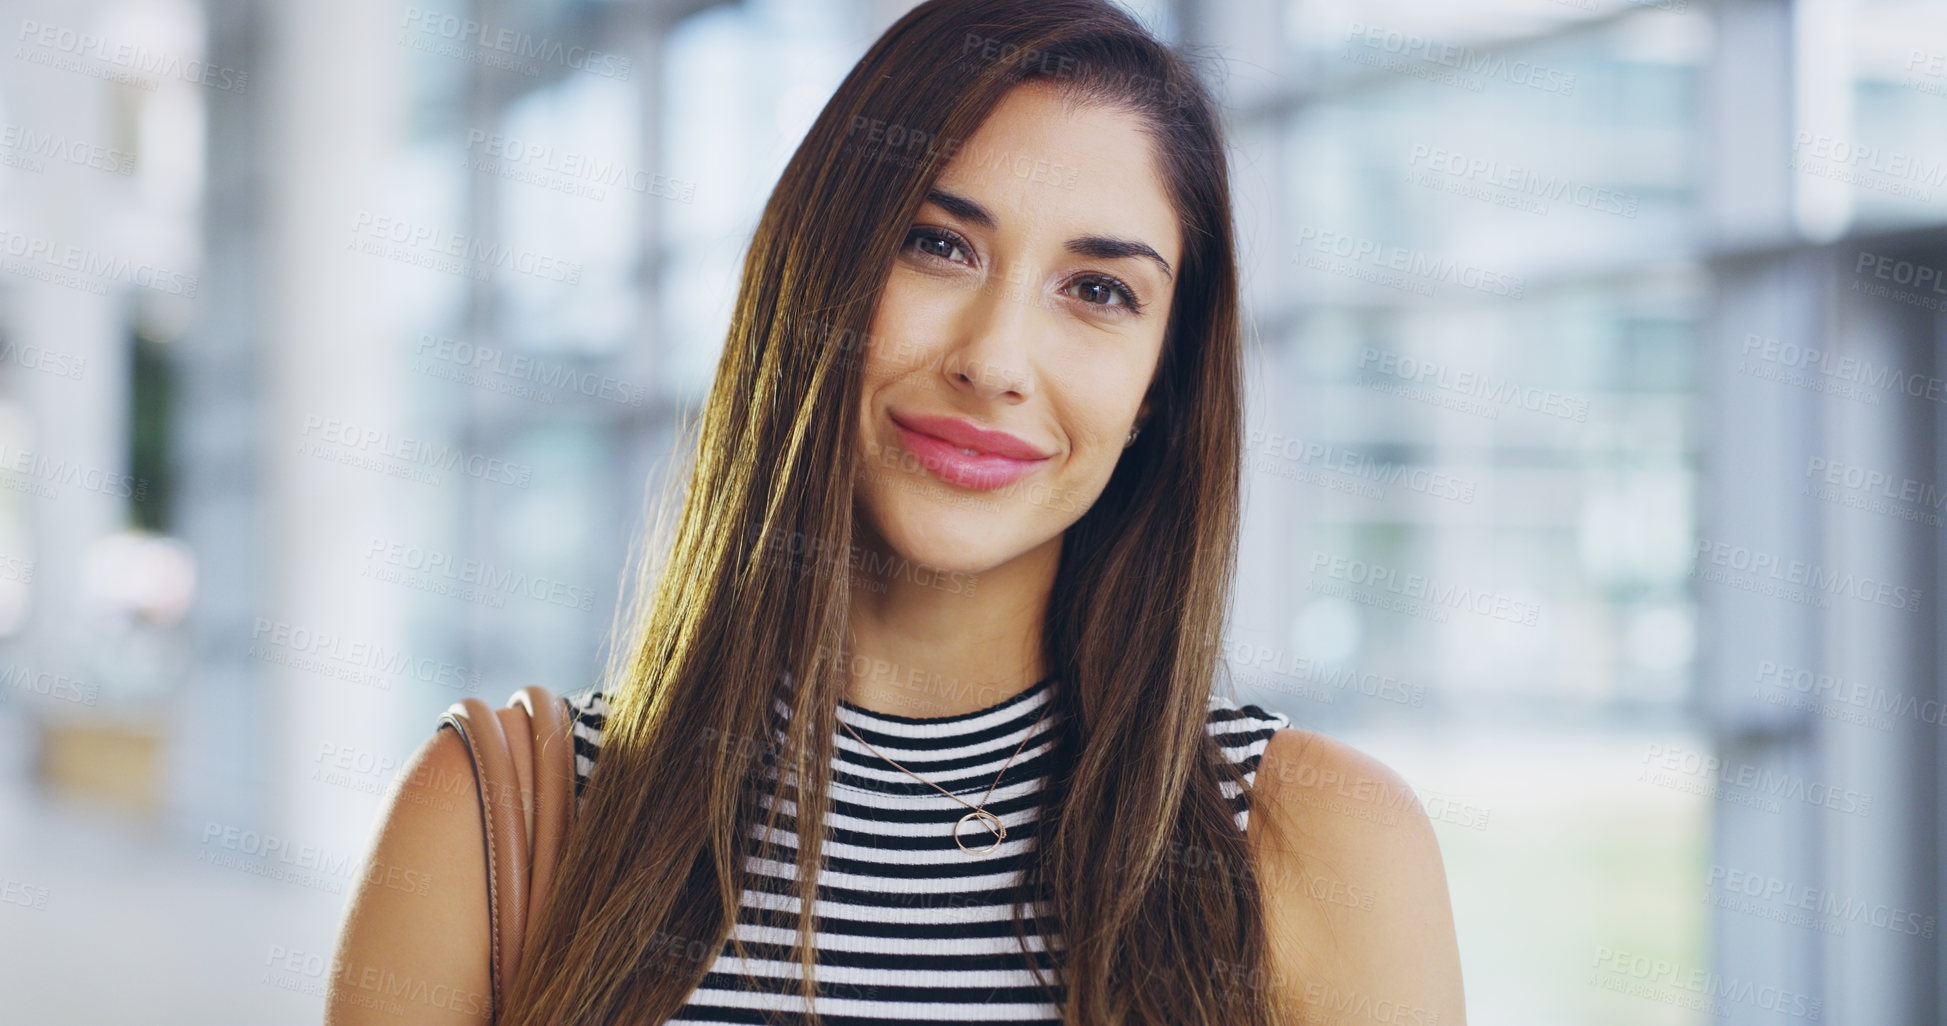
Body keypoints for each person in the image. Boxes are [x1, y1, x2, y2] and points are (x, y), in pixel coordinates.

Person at [326, 1, 1465, 1023]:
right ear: (818, 273)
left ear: (1159, 384)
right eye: (938, 244)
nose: (996, 361)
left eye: (1099, 291)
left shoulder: (1320, 843)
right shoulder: (494, 821)